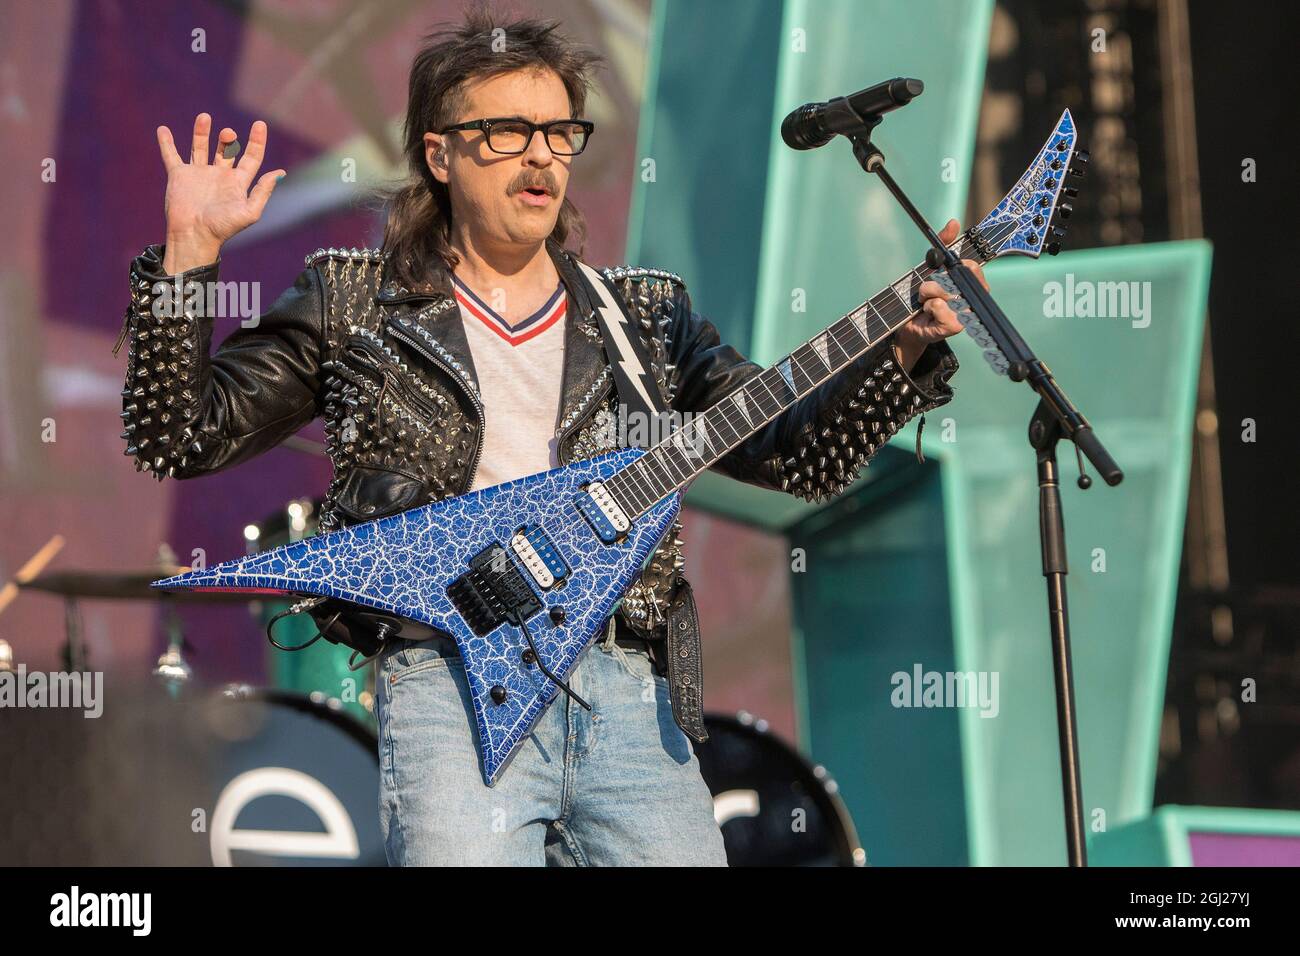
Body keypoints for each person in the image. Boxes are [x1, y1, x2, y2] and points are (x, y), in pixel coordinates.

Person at [118, 10, 981, 866]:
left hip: (629, 698)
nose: (539, 156)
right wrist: (189, 256)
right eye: (504, 132)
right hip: (448, 689)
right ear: (439, 153)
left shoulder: (645, 315)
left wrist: (904, 350)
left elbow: (803, 454)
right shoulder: (352, 301)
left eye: (558, 132)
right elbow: (177, 437)